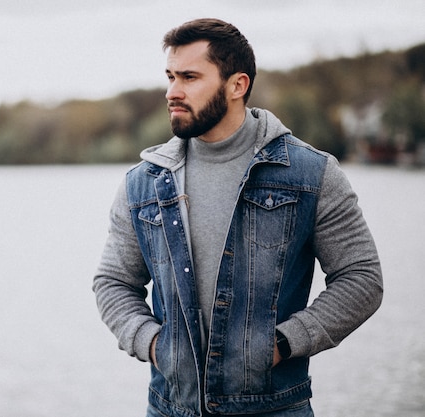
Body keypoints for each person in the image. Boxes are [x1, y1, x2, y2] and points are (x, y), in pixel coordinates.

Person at [92, 18, 383, 417]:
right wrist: (155, 345)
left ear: (237, 85)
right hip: (171, 408)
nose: (172, 92)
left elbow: (362, 278)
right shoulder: (143, 183)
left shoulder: (311, 174)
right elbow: (113, 282)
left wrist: (282, 344)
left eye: (190, 77)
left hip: (275, 408)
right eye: (170, 76)